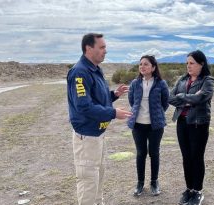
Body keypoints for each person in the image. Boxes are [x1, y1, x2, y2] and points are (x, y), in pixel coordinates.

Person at [67, 33, 132, 205]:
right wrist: (113, 113)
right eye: (102, 47)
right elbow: (84, 106)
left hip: (98, 136)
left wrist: (114, 95)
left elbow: (98, 99)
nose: (106, 51)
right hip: (87, 137)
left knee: (98, 177)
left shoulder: (95, 69)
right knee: (88, 181)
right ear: (89, 48)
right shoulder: (80, 72)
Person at [168, 50, 214, 205]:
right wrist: (188, 100)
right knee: (186, 157)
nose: (188, 66)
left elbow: (202, 97)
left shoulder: (207, 80)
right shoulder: (182, 79)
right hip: (182, 123)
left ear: (201, 64)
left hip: (198, 123)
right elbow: (170, 97)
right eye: (187, 63)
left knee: (196, 157)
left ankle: (197, 191)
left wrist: (183, 98)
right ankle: (189, 189)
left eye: (192, 63)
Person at [127, 55, 169, 197]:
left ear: (153, 67)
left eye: (146, 64)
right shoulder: (134, 83)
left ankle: (154, 182)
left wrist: (156, 114)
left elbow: (165, 103)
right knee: (140, 153)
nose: (142, 67)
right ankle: (140, 183)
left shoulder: (161, 83)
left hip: (155, 126)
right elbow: (132, 102)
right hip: (138, 125)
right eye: (140, 64)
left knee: (154, 153)